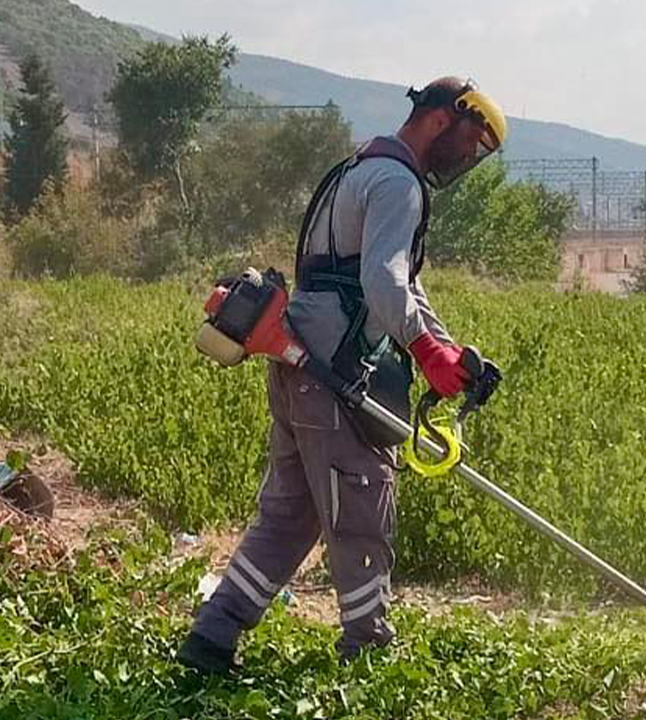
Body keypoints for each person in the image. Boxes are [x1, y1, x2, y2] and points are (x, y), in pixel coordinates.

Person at [178, 77, 508, 674]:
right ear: (442, 120)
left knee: (290, 513)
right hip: (335, 373)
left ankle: (212, 637)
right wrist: (426, 353)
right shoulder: (398, 182)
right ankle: (368, 652)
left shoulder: (357, 168)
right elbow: (383, 283)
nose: (467, 157)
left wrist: (443, 349)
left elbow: (399, 285)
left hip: (298, 362)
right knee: (362, 506)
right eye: (470, 141)